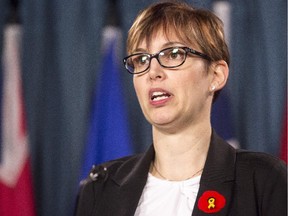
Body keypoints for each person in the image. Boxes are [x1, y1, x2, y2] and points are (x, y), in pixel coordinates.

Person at [75, 1, 287, 216]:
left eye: (174, 54)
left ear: (216, 75)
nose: (153, 71)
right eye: (141, 59)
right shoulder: (100, 188)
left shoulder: (263, 181)